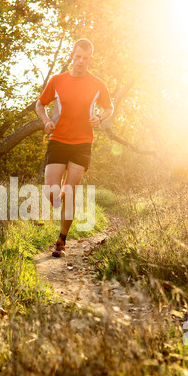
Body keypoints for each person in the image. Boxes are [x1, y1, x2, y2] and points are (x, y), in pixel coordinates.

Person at [36, 38, 114, 257]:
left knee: (70, 191)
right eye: (78, 56)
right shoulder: (57, 80)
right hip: (58, 139)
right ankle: (59, 195)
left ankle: (61, 240)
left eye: (85, 58)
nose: (81, 61)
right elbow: (40, 104)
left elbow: (109, 107)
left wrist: (99, 116)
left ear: (90, 60)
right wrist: (45, 122)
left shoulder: (98, 84)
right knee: (52, 191)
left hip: (82, 143)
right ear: (72, 55)